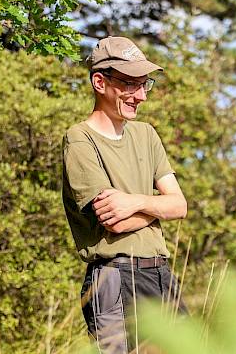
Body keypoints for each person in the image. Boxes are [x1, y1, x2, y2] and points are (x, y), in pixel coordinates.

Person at [61, 36, 188, 353]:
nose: (141, 95)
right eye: (131, 84)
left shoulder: (146, 134)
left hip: (161, 274)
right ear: (100, 82)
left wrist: (135, 202)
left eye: (145, 84)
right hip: (115, 278)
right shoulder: (79, 140)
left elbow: (180, 205)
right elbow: (115, 222)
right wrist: (158, 209)